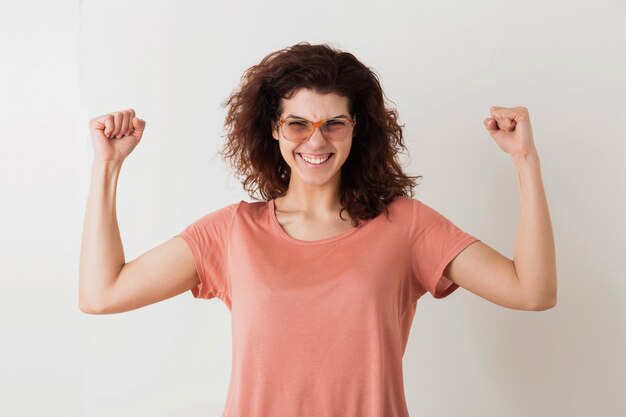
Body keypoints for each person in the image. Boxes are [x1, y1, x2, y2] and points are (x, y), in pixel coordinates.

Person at [79, 41, 557, 416]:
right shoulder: (231, 233)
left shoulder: (405, 226)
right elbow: (102, 294)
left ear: (355, 129)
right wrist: (108, 168)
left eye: (334, 124)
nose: (316, 140)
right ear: (272, 128)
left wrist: (525, 160)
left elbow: (531, 291)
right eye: (298, 123)